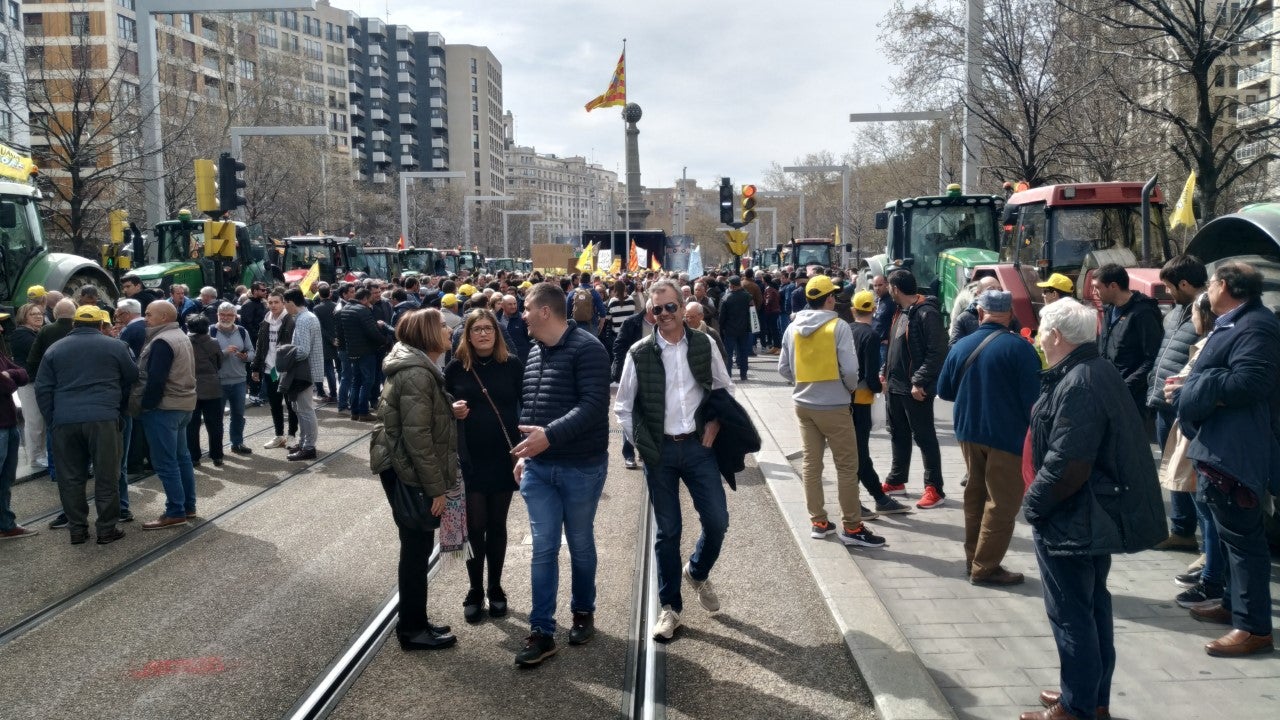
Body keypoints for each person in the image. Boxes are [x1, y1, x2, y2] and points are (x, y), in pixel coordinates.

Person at [1021, 298, 1165, 720]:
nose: (1038, 339)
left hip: (1073, 515)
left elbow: (1068, 463)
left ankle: (1078, 706)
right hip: (1086, 512)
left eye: (1041, 332)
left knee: (1072, 614)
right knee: (1091, 607)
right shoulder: (1091, 370)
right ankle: (1088, 694)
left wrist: (1033, 506)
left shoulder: (1080, 380)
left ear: (1056, 336)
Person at [615, 280, 735, 641]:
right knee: (668, 532)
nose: (663, 314)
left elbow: (723, 388)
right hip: (661, 452)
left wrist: (715, 422)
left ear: (684, 308)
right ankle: (670, 609)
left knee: (717, 520)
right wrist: (641, 443)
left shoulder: (704, 343)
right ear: (649, 312)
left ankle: (696, 571)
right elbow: (622, 405)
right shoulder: (639, 352)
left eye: (670, 307)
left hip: (699, 447)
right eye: (657, 309)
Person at [1172, 262, 1279, 658]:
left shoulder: (1256, 325)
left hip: (1236, 451)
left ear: (1226, 286)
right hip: (1221, 445)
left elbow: (1251, 382)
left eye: (1212, 283)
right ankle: (1234, 604)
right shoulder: (1236, 322)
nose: (1207, 290)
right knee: (1231, 536)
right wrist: (1192, 385)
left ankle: (1253, 628)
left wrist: (1197, 386)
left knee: (1244, 541)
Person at [512, 283, 610, 668]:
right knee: (543, 547)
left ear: (545, 312)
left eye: (526, 308)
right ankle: (542, 631)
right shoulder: (535, 350)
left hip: (581, 467)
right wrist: (528, 453)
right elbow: (533, 408)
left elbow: (593, 406)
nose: (521, 314)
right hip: (539, 467)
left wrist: (546, 438)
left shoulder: (588, 349)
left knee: (581, 542)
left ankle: (583, 611)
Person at [937, 290, 1041, 585]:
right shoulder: (1021, 349)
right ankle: (985, 566)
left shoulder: (960, 346)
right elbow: (1034, 401)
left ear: (980, 313)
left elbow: (944, 391)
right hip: (1007, 437)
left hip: (969, 432)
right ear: (1009, 315)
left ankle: (974, 559)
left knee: (976, 496)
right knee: (1002, 503)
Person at [370, 308, 458, 651]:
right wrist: (435, 489)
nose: (449, 330)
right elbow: (417, 437)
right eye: (442, 326)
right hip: (408, 470)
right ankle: (412, 630)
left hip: (404, 466)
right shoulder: (417, 373)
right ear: (426, 334)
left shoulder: (419, 368)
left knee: (417, 548)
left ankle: (416, 622)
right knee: (416, 548)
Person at [779, 275, 887, 550]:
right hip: (835, 405)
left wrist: (802, 383)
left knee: (811, 465)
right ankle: (852, 526)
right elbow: (851, 370)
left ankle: (819, 522)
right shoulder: (838, 326)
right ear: (828, 299)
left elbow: (783, 368)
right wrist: (847, 389)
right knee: (847, 467)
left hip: (804, 404)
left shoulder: (792, 328)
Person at [445, 309, 524, 624]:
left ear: (497, 332)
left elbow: (526, 403)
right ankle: (475, 589)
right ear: (467, 334)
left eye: (487, 328)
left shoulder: (512, 365)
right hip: (470, 458)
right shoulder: (455, 368)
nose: (482, 334)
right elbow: (441, 407)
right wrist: (452, 410)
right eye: (476, 329)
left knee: (498, 525)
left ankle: (496, 587)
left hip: (504, 455)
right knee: (475, 526)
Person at [37, 306, 138, 544]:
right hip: (103, 418)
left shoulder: (54, 349)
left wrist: (53, 418)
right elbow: (133, 376)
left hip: (64, 420)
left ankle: (77, 530)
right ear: (100, 324)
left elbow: (43, 388)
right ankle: (106, 529)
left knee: (70, 477)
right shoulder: (115, 346)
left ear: (74, 324)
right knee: (106, 475)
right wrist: (117, 406)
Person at [1145, 255, 1208, 553]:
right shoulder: (1175, 312)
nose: (1167, 293)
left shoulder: (1208, 315)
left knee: (1193, 475)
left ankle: (1209, 547)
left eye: (1170, 287)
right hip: (1164, 402)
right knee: (1172, 470)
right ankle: (1182, 531)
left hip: (1185, 406)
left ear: (1184, 284)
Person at [881, 269, 948, 509]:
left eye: (889, 286)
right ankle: (897, 479)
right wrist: (884, 370)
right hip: (896, 387)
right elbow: (895, 346)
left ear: (895, 289)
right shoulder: (901, 311)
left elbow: (937, 352)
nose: (888, 290)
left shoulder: (926, 313)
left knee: (925, 437)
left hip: (914, 388)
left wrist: (919, 381)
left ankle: (934, 488)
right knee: (898, 434)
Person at [134, 301, 199, 531]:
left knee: (166, 461)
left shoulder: (162, 341)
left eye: (149, 314)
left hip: (164, 408)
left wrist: (147, 406)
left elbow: (156, 380)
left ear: (163, 317)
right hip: (183, 405)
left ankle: (175, 511)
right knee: (182, 458)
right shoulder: (180, 335)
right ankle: (188, 506)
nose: (145, 317)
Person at [847, 291, 908, 515]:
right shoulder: (871, 336)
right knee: (859, 453)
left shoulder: (846, 330)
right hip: (862, 400)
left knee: (856, 452)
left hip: (844, 398)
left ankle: (876, 498)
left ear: (853, 309)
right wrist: (879, 387)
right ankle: (874, 499)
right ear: (873, 309)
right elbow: (870, 373)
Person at [1092, 263, 1163, 414]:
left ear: (1113, 286)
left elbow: (1153, 358)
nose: (1094, 292)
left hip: (1132, 399)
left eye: (1097, 287)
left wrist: (1126, 386)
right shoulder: (1109, 310)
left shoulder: (1143, 313)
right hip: (1108, 391)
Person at [281, 288, 325, 461]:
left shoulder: (303, 320)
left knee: (305, 410)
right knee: (300, 408)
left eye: (284, 303)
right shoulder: (307, 317)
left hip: (303, 372)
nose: (285, 307)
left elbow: (303, 351)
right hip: (306, 371)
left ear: (291, 302)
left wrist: (283, 354)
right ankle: (304, 442)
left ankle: (308, 447)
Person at [252, 290, 299, 447]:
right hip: (270, 370)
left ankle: (292, 435)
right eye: (270, 302)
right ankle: (279, 435)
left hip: (286, 370)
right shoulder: (266, 321)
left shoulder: (291, 320)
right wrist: (256, 367)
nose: (273, 305)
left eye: (276, 302)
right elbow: (260, 346)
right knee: (275, 403)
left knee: (291, 404)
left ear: (283, 302)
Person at [338, 287, 388, 422]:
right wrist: (385, 341)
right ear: (364, 299)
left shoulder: (345, 309)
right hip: (366, 351)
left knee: (356, 381)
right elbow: (372, 332)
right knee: (368, 381)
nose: (370, 303)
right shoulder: (362, 310)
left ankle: (355, 412)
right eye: (369, 300)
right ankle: (364, 412)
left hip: (352, 350)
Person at [0, 343, 34, 539]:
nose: (2, 328)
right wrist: (11, 377)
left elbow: (24, 374)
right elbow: (6, 385)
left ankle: (5, 524)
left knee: (6, 479)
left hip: (9, 424)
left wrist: (10, 374)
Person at [211, 302, 255, 455]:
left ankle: (237, 443)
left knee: (238, 415)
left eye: (229, 315)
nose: (225, 318)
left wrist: (245, 356)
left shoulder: (242, 331)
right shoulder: (210, 331)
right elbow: (205, 357)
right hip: (218, 382)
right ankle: (216, 449)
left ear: (235, 316)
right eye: (222, 314)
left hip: (239, 380)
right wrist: (224, 353)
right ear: (217, 315)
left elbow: (252, 352)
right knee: (216, 418)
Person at [9, 302, 46, 469]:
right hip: (29, 384)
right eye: (33, 314)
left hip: (37, 382)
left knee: (40, 422)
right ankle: (35, 457)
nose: (38, 316)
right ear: (24, 317)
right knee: (34, 421)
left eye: (39, 313)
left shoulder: (35, 333)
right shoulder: (21, 335)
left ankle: (41, 454)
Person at [184, 315, 224, 468]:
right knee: (215, 424)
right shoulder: (213, 342)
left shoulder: (185, 343)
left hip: (191, 387)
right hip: (212, 388)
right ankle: (217, 455)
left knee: (192, 425)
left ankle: (194, 457)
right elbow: (219, 362)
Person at [718, 276, 753, 381]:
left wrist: (721, 328)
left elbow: (721, 316)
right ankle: (743, 374)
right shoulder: (748, 297)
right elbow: (753, 312)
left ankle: (728, 375)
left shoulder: (726, 298)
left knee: (728, 353)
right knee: (743, 352)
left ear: (732, 286)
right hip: (744, 329)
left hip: (729, 329)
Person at [311, 284, 340, 404]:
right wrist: (336, 338)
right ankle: (334, 393)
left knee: (326, 367)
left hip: (323, 342)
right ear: (330, 293)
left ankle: (322, 392)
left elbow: (320, 327)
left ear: (319, 294)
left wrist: (330, 339)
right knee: (337, 368)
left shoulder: (317, 309)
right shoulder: (337, 306)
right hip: (338, 340)